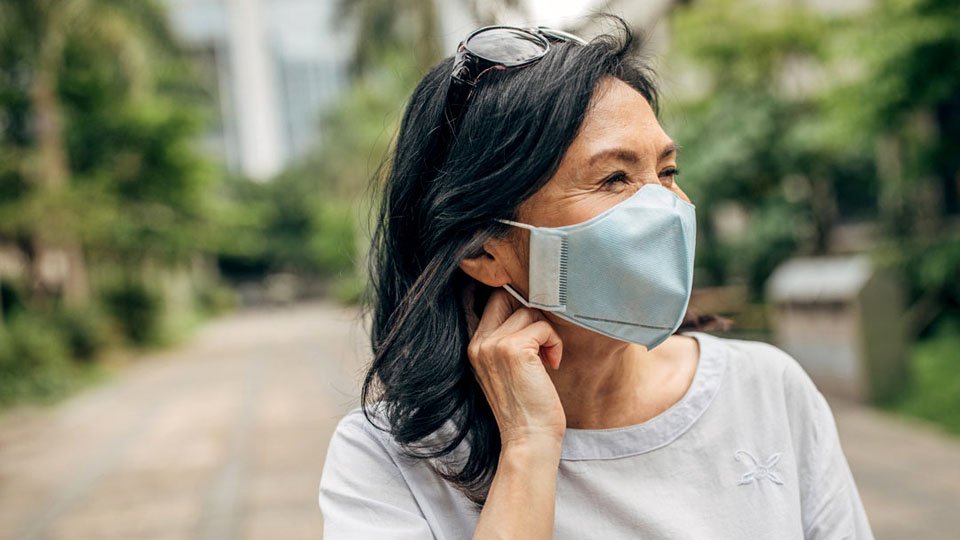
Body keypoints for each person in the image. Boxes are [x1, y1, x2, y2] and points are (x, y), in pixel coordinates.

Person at [318, 16, 875, 540]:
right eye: (614, 178)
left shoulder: (767, 391)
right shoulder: (392, 460)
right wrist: (530, 449)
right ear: (486, 251)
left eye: (667, 171)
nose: (666, 207)